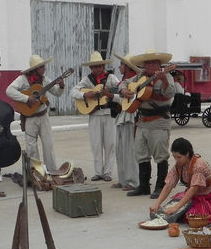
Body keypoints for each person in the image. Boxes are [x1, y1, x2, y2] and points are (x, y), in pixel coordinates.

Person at [119, 49, 176, 199]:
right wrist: (123, 91)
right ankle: (144, 186)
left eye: (153, 62)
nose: (150, 65)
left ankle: (160, 187)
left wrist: (163, 80)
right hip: (142, 120)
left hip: (159, 121)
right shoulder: (139, 76)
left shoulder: (167, 76)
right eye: (147, 63)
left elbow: (170, 93)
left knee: (160, 155)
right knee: (141, 153)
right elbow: (124, 83)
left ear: (159, 64)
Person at [6, 55, 65, 174]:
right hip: (30, 118)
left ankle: (51, 171)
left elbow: (57, 93)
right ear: (35, 69)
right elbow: (9, 90)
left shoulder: (45, 80)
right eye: (41, 67)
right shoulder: (22, 79)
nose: (44, 69)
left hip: (43, 116)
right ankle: (36, 172)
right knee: (31, 146)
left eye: (43, 66)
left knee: (48, 144)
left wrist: (61, 86)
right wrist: (26, 99)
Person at [150, 138, 211, 224]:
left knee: (192, 215)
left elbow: (193, 189)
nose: (176, 160)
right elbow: (169, 184)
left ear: (187, 154)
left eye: (179, 157)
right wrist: (157, 204)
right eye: (174, 157)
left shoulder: (198, 166)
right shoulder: (179, 165)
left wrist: (176, 208)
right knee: (174, 208)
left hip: (208, 195)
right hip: (193, 194)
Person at [70, 51, 121, 182]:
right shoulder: (87, 80)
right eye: (94, 67)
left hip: (109, 113)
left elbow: (120, 89)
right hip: (94, 113)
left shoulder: (111, 78)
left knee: (110, 144)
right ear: (91, 68)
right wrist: (85, 95)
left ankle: (108, 172)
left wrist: (110, 93)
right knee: (96, 145)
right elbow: (73, 91)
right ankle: (98, 172)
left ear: (103, 66)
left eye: (99, 66)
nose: (97, 69)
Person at [112, 53, 140, 191]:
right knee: (120, 149)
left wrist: (111, 96)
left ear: (128, 67)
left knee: (129, 150)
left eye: (122, 64)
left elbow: (132, 99)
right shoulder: (124, 81)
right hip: (122, 115)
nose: (119, 67)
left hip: (130, 115)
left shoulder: (135, 81)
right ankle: (123, 180)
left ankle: (133, 181)